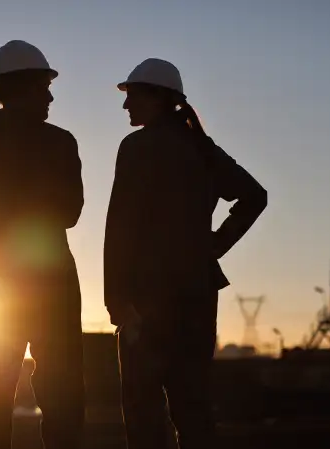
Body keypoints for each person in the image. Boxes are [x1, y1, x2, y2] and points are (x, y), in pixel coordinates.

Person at [104, 58, 268, 449]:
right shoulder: (202, 147)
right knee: (193, 410)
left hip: (144, 301)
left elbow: (120, 228)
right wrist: (212, 246)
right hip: (196, 295)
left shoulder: (136, 147)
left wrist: (115, 299)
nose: (126, 107)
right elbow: (254, 196)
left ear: (158, 99)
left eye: (133, 97)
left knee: (143, 412)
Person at [0, 40, 86, 449]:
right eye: (44, 86)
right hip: (49, 289)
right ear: (24, 88)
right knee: (62, 397)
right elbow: (69, 213)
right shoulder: (60, 143)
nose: (50, 96)